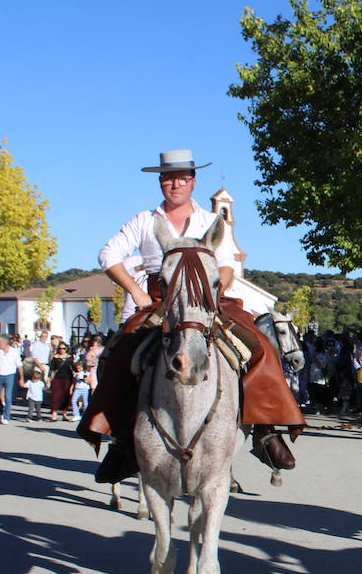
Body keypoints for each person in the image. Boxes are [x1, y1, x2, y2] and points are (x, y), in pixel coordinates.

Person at [80, 149, 305, 482]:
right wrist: (137, 293)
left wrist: (212, 292)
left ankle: (265, 429)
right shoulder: (145, 220)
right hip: (160, 300)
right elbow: (108, 254)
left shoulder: (210, 221)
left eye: (182, 178)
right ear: (161, 182)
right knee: (121, 351)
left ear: (193, 182)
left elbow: (226, 266)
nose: (175, 184)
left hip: (206, 298)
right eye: (168, 178)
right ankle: (122, 441)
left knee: (259, 345)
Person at [0, 335, 22, 424]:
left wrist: (21, 378)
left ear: (5, 343)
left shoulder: (14, 352)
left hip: (9, 376)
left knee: (8, 397)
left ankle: (6, 416)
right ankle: (1, 412)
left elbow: (19, 365)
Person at [49, 342, 75, 420]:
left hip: (67, 378)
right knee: (55, 395)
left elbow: (74, 368)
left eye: (63, 348)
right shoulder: (55, 357)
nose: (62, 350)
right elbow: (52, 369)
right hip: (57, 378)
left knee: (66, 396)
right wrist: (49, 379)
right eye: (60, 348)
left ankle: (64, 413)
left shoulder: (70, 357)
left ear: (66, 349)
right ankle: (54, 413)